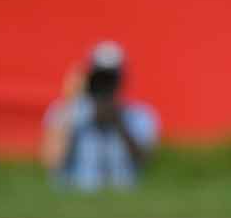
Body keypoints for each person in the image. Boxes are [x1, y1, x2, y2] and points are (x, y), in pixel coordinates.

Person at [41, 42, 160, 191]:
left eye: (110, 78)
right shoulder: (65, 111)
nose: (105, 84)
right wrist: (71, 102)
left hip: (123, 196)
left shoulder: (138, 115)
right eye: (100, 77)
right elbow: (53, 161)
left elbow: (145, 160)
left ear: (122, 79)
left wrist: (119, 124)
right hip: (77, 195)